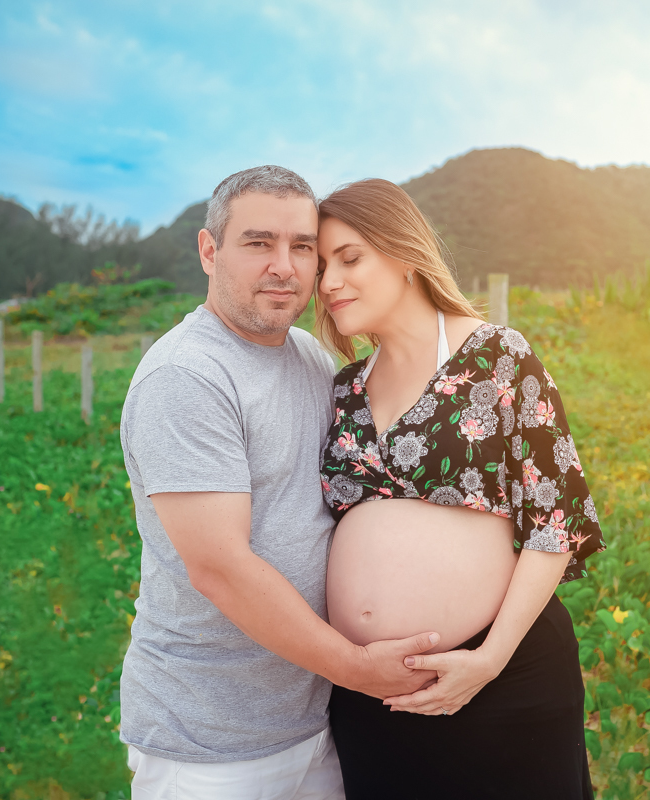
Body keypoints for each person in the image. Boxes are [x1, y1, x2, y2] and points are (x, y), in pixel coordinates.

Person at [118, 166, 439, 800]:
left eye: (302, 248)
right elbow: (220, 567)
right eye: (258, 243)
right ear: (210, 252)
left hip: (313, 719)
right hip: (211, 741)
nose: (285, 267)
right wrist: (357, 669)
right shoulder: (187, 377)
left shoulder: (311, 358)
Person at [315, 178, 606, 798]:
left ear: (402, 254)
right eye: (321, 267)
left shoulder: (498, 355)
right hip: (373, 701)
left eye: (349, 258)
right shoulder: (343, 389)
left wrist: (489, 659)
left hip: (503, 679)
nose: (328, 282)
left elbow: (554, 520)